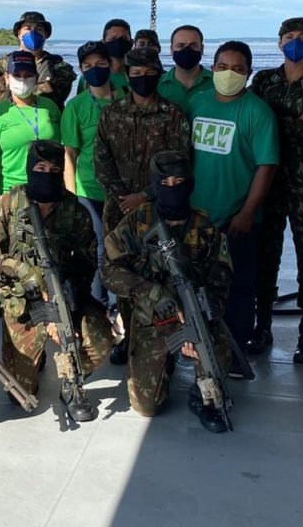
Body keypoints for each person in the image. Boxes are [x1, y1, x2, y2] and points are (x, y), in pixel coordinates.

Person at [0, 140, 113, 420]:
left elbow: (87, 261)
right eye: (40, 168)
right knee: (19, 392)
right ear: (30, 170)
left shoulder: (74, 210)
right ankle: (35, 355)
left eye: (53, 170)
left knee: (99, 340)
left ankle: (72, 380)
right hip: (22, 302)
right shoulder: (9, 205)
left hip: (64, 295)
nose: (46, 174)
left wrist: (68, 304)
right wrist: (18, 269)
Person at [103, 151, 234, 432]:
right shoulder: (136, 222)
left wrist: (198, 322)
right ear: (155, 184)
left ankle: (202, 394)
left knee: (213, 354)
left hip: (193, 315)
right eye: (165, 183)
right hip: (151, 318)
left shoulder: (206, 229)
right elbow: (109, 271)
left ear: (189, 184)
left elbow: (221, 284)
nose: (172, 188)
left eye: (179, 182)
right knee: (146, 406)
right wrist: (150, 291)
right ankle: (164, 364)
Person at [94, 46, 192, 364]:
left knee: (162, 272)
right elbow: (101, 160)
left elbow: (181, 161)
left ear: (159, 75)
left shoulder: (172, 114)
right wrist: (122, 197)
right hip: (119, 209)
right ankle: (129, 336)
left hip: (159, 209)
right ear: (127, 76)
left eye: (150, 73)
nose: (143, 79)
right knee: (124, 274)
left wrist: (145, 196)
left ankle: (165, 340)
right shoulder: (111, 113)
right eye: (136, 74)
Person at [249, 17, 303, 364]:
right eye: (288, 36)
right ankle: (262, 327)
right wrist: (293, 118)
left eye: (302, 37)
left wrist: (271, 119)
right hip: (268, 180)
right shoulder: (263, 80)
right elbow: (251, 123)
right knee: (265, 257)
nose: (295, 42)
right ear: (279, 42)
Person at [187, 41, 277, 359]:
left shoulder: (257, 112)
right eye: (223, 67)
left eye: (238, 69)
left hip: (236, 219)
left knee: (238, 287)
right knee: (195, 286)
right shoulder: (196, 103)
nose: (229, 74)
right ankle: (200, 350)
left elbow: (266, 166)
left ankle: (235, 352)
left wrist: (247, 212)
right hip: (196, 217)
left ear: (249, 73)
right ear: (212, 69)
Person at [61, 41, 127, 303]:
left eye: (100, 63)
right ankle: (101, 304)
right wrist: (71, 196)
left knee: (123, 247)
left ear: (110, 65)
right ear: (81, 70)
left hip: (123, 190)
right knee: (99, 248)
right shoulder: (75, 107)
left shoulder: (126, 98)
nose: (95, 69)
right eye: (88, 66)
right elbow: (70, 155)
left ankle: (122, 304)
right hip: (89, 189)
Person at [0, 50, 62, 210]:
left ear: (36, 78)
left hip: (50, 192)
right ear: (7, 78)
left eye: (28, 75)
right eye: (17, 75)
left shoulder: (50, 107)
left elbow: (63, 153)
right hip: (10, 195)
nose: (23, 80)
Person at [0, 11, 76, 110]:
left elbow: (54, 97)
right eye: (27, 28)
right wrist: (41, 87)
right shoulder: (0, 66)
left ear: (45, 34)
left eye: (38, 29)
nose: (33, 33)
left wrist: (16, 89)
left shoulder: (59, 67)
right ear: (19, 34)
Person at [157, 25, 213, 109]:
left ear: (202, 49)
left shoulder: (217, 83)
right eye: (181, 45)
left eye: (193, 45)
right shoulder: (157, 85)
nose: (187, 50)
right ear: (171, 50)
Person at [76, 18, 133, 94]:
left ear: (131, 43)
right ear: (103, 43)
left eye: (124, 38)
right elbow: (81, 100)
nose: (119, 42)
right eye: (113, 38)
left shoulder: (137, 74)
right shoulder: (89, 77)